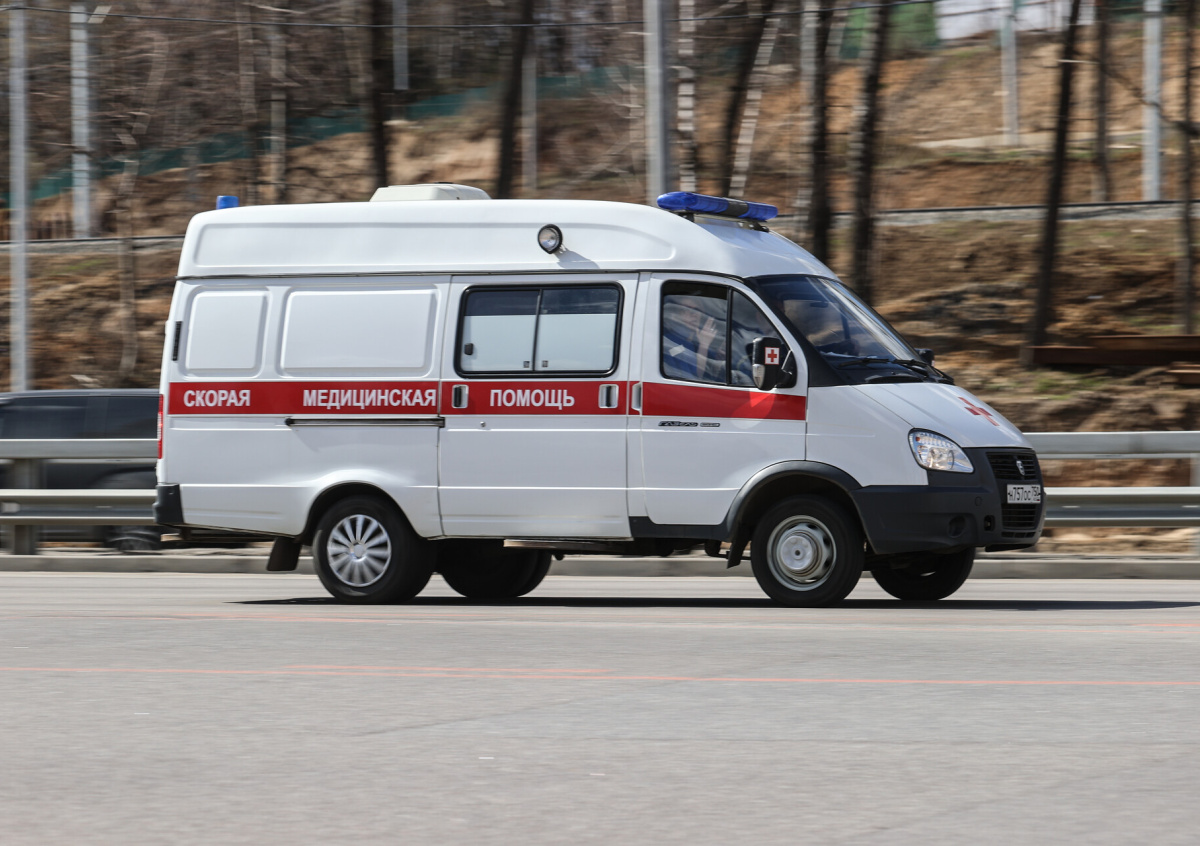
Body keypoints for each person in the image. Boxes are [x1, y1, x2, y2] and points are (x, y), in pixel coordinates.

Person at [662, 294, 726, 383]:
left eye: (697, 310)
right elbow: (695, 378)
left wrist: (719, 358)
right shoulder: (670, 342)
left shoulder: (699, 339)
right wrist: (703, 346)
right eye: (686, 310)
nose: (693, 314)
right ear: (677, 314)